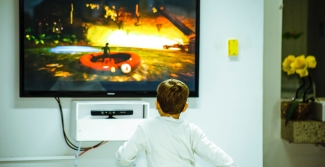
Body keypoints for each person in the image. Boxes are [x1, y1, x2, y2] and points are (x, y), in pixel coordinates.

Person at [116, 79, 239, 167]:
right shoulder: (192, 130)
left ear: (157, 104)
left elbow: (124, 158)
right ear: (185, 107)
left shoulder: (147, 127)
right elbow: (216, 155)